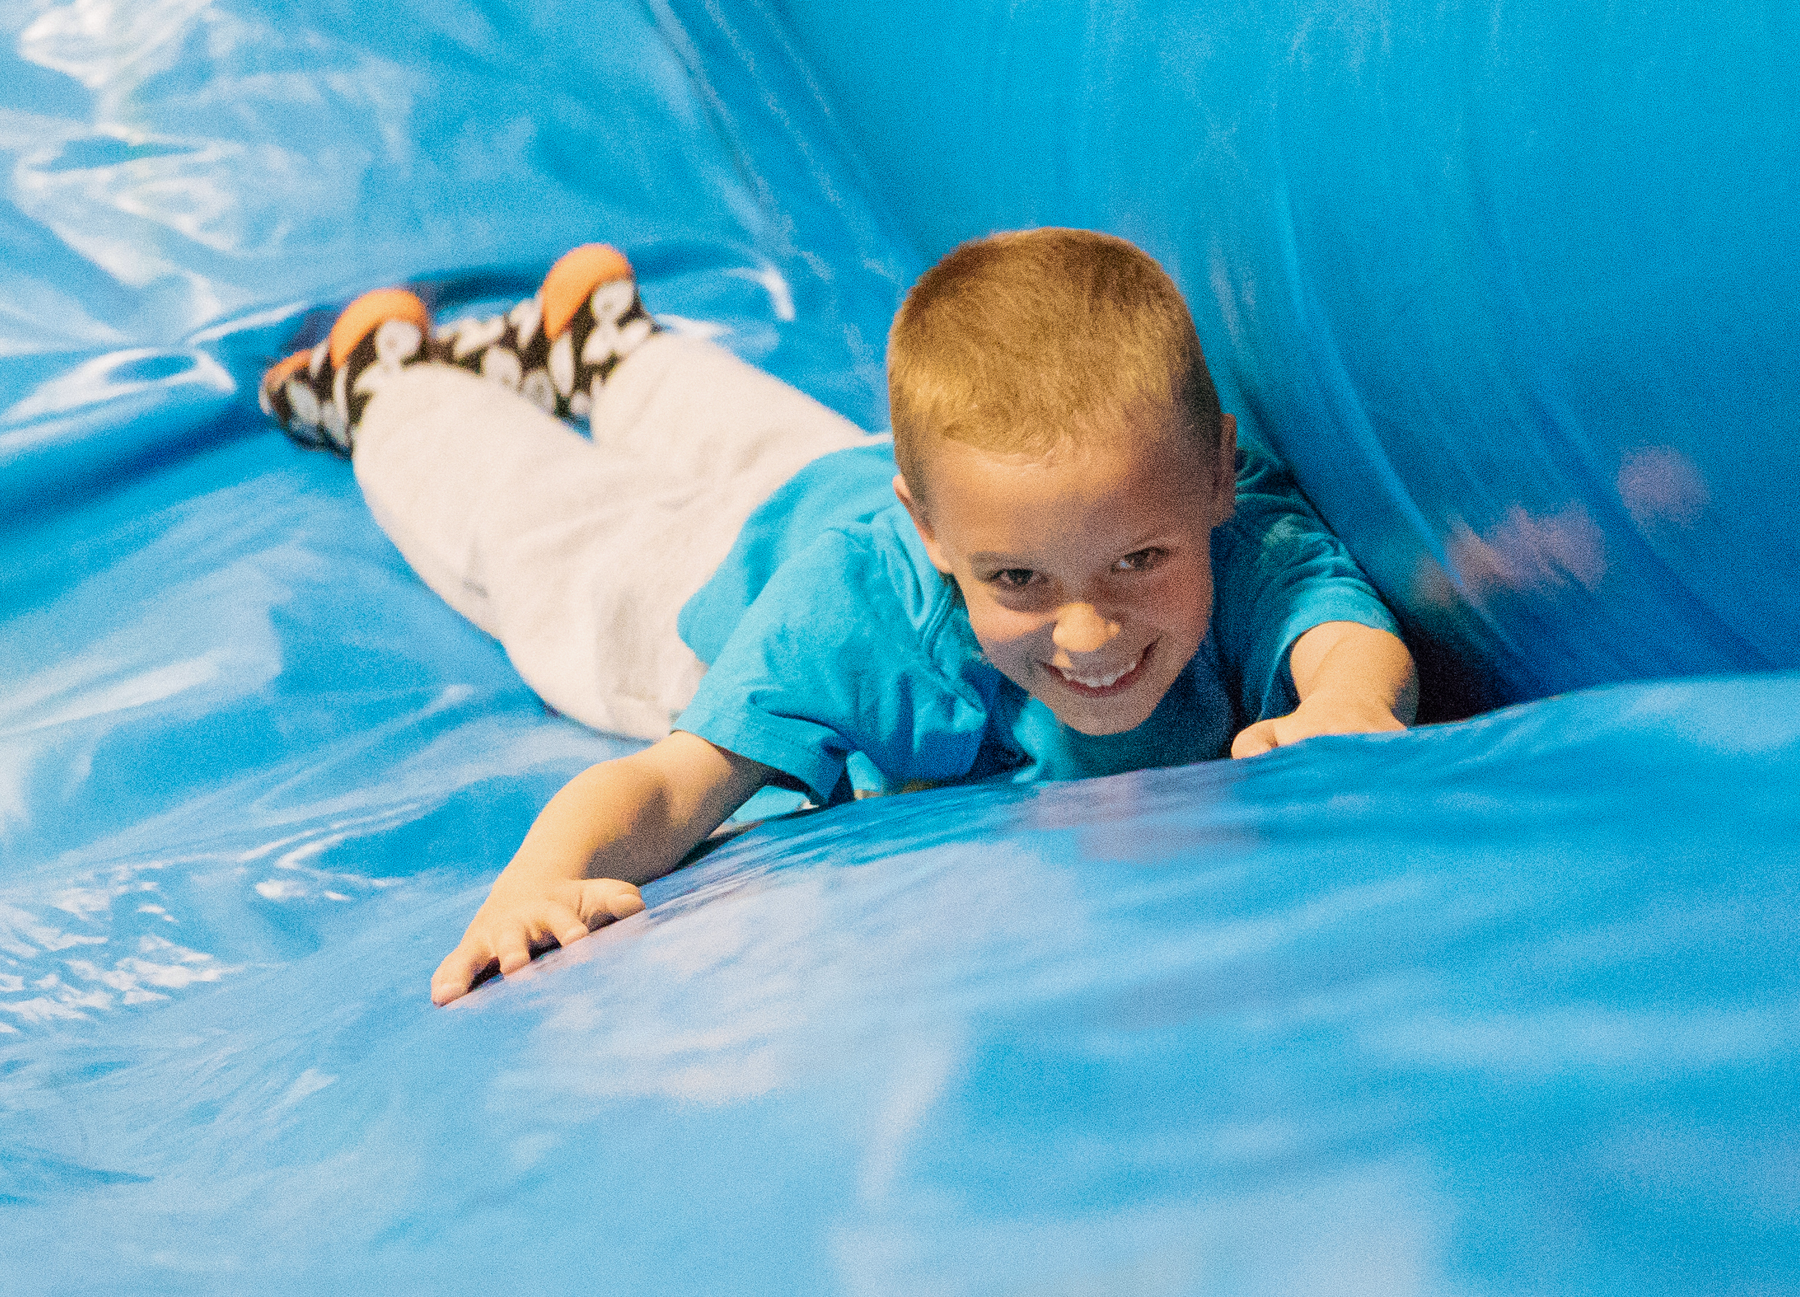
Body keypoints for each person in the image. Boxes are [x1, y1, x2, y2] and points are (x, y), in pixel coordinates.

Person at [260, 229, 1419, 1003]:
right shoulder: (859, 622)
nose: (1088, 631)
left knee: (773, 446)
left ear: (1217, 475)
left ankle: (600, 350)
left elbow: (1335, 630)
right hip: (724, 576)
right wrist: (539, 879)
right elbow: (674, 786)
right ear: (935, 536)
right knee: (548, 537)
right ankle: (388, 384)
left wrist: (1349, 703)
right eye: (1020, 586)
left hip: (851, 479)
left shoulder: (1190, 514)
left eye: (1139, 560)